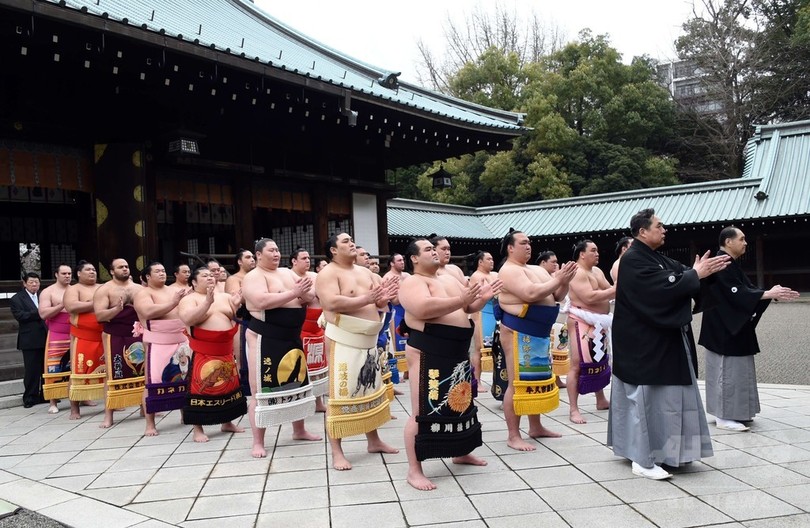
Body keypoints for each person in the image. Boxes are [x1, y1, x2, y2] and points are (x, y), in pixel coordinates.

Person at [608, 208, 730, 480]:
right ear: (642, 231)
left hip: (665, 339)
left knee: (674, 400)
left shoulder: (656, 258)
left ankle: (675, 453)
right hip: (643, 344)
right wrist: (693, 275)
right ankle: (643, 458)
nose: (665, 230)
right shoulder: (633, 260)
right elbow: (659, 288)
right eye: (659, 226)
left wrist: (702, 273)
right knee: (647, 400)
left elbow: (683, 275)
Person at [399, 238, 501, 490]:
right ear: (413, 258)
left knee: (461, 404)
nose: (434, 252)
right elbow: (422, 308)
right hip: (429, 349)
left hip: (456, 350)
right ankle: (414, 470)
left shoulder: (448, 278)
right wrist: (462, 300)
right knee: (422, 411)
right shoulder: (413, 282)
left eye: (434, 249)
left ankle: (461, 451)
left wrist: (482, 298)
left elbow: (467, 306)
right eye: (427, 250)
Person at [699, 226, 799, 432]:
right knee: (725, 371)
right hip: (723, 327)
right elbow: (734, 293)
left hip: (730, 326)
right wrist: (766, 294)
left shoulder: (729, 264)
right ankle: (723, 416)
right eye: (742, 239)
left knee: (736, 371)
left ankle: (737, 412)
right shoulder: (721, 263)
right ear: (728, 242)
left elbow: (746, 290)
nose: (745, 243)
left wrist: (767, 294)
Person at [317, 233, 400, 470]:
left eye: (352, 239)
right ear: (333, 250)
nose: (351, 243)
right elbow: (331, 303)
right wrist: (368, 298)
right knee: (341, 395)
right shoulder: (328, 274)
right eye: (345, 241)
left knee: (370, 390)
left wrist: (384, 298)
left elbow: (379, 302)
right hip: (344, 340)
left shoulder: (365, 273)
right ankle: (337, 452)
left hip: (369, 340)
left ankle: (373, 441)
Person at [498, 229, 577, 450]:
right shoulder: (508, 270)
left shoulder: (535, 269)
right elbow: (531, 294)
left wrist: (565, 281)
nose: (528, 246)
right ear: (510, 248)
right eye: (522, 243)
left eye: (529, 242)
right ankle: (513, 435)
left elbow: (556, 296)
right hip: (518, 331)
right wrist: (558, 279)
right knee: (517, 383)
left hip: (539, 332)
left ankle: (536, 426)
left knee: (535, 380)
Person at [242, 239, 320, 458]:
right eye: (271, 250)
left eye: (277, 250)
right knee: (260, 390)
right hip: (265, 338)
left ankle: (299, 430)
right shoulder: (254, 277)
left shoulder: (287, 272)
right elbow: (261, 301)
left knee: (298, 384)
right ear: (259, 255)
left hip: (291, 338)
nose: (276, 254)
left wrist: (301, 293)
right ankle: (258, 441)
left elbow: (309, 296)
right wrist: (295, 293)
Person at [178, 267, 246, 442]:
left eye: (210, 275)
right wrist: (207, 302)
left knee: (228, 386)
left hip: (225, 350)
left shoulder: (224, 296)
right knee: (200, 388)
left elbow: (236, 318)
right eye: (204, 275)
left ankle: (227, 421)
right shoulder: (189, 299)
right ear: (193, 282)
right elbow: (188, 319)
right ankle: (197, 429)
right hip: (202, 351)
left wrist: (237, 305)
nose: (209, 277)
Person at [133, 262, 191, 436]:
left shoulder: (174, 290)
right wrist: (174, 303)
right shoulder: (143, 293)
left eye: (163, 270)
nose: (162, 273)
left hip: (180, 340)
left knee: (184, 378)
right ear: (147, 277)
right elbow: (148, 312)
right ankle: (150, 424)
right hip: (157, 343)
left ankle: (185, 414)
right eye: (157, 271)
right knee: (153, 382)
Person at [566, 240, 614, 424]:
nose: (597, 253)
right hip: (581, 321)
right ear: (582, 254)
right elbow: (589, 296)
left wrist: (613, 290)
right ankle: (573, 409)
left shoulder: (597, 271)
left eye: (597, 250)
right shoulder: (577, 272)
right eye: (593, 250)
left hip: (598, 323)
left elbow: (608, 289)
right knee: (578, 365)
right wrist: (614, 291)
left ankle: (600, 399)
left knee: (599, 358)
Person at [94, 258, 144, 428]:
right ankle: (109, 415)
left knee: (142, 371)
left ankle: (144, 406)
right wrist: (117, 309)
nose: (124, 269)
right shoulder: (104, 290)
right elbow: (100, 316)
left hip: (137, 333)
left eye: (126, 266)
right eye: (120, 267)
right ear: (111, 271)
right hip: (114, 334)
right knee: (112, 373)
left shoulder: (138, 288)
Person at [64, 261, 103, 419]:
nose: (92, 272)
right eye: (88, 270)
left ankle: (113, 401)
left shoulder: (102, 287)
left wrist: (91, 304)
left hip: (103, 334)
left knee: (109, 370)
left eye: (93, 269)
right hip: (83, 336)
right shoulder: (74, 289)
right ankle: (75, 409)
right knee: (78, 371)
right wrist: (96, 304)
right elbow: (71, 306)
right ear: (79, 273)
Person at [290, 248, 328, 412]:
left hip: (318, 327)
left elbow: (323, 295)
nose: (308, 260)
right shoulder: (288, 276)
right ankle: (302, 403)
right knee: (301, 369)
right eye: (303, 258)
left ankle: (319, 402)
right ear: (294, 261)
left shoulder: (314, 276)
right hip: (301, 329)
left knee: (319, 369)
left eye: (308, 258)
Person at [39, 264, 73, 413]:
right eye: (64, 273)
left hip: (75, 333)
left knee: (78, 366)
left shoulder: (76, 290)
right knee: (54, 367)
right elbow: (43, 314)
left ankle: (82, 396)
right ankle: (53, 401)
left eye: (69, 273)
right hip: (57, 335)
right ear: (56, 275)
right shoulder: (48, 292)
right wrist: (61, 305)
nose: (67, 276)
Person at [11, 272, 48, 409]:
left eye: (36, 282)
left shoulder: (43, 296)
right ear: (25, 283)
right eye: (31, 282)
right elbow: (21, 316)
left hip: (45, 336)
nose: (34, 284)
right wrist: (40, 312)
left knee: (46, 369)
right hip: (29, 339)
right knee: (32, 370)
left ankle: (46, 395)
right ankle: (30, 397)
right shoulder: (17, 298)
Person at [225, 249, 257, 398]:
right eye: (248, 257)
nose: (252, 259)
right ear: (239, 261)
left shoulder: (257, 275)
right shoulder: (234, 279)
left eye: (253, 257)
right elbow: (236, 298)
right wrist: (258, 293)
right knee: (241, 359)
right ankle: (241, 390)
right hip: (242, 321)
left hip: (257, 319)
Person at [536, 251, 568, 389]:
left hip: (560, 317)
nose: (555, 264)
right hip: (544, 319)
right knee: (546, 350)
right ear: (543, 263)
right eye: (552, 262)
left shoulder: (557, 276)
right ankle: (548, 377)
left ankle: (558, 377)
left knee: (558, 348)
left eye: (556, 262)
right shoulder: (536, 275)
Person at [469, 251, 498, 393]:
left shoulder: (495, 275)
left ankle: (496, 381)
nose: (492, 261)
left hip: (495, 314)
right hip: (481, 314)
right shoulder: (476, 276)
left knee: (496, 349)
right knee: (479, 350)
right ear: (480, 262)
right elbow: (478, 296)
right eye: (489, 259)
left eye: (492, 259)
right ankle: (477, 381)